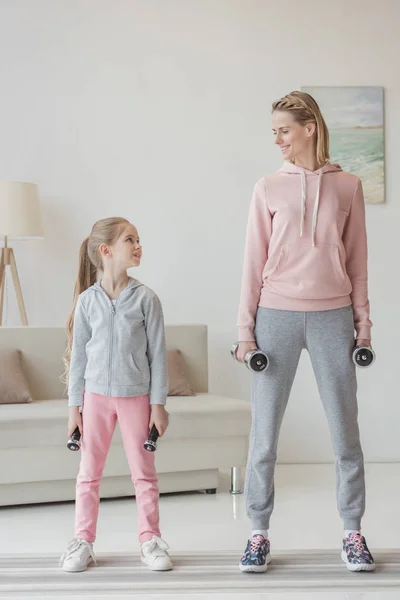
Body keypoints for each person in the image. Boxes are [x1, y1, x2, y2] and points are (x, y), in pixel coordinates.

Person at [236, 91, 375, 573]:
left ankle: (352, 532)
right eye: (273, 131)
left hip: (333, 316)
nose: (277, 139)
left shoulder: (348, 187)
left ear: (309, 127)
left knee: (345, 433)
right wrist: (245, 332)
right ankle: (258, 533)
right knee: (265, 435)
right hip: (275, 315)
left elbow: (357, 263)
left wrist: (363, 327)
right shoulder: (268, 187)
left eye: (284, 130)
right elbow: (252, 263)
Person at [59, 217, 172, 573]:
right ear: (106, 250)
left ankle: (150, 540)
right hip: (94, 398)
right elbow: (78, 357)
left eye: (138, 239)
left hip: (135, 396)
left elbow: (158, 355)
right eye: (130, 239)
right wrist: (74, 407)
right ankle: (83, 541)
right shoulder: (87, 302)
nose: (138, 246)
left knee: (144, 473)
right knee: (88, 474)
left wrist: (159, 405)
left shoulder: (146, 299)